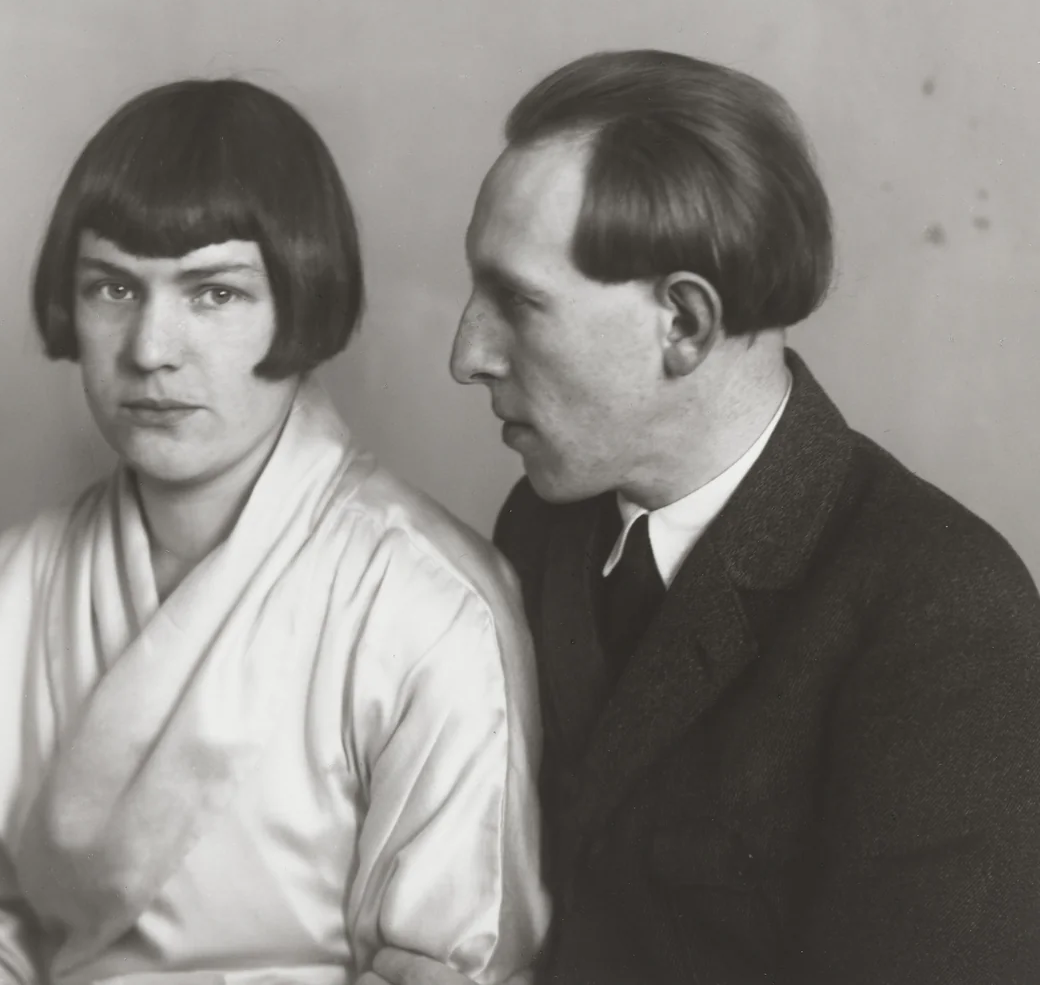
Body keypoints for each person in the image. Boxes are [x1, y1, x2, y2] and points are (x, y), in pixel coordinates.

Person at [365, 50, 1040, 985]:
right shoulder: (543, 523)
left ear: (683, 322)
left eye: (518, 302)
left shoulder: (947, 616)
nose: (467, 352)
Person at [0, 79, 548, 985]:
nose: (151, 347)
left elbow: (449, 963)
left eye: (214, 294)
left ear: (300, 300)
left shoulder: (425, 601)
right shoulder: (7, 595)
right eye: (112, 287)